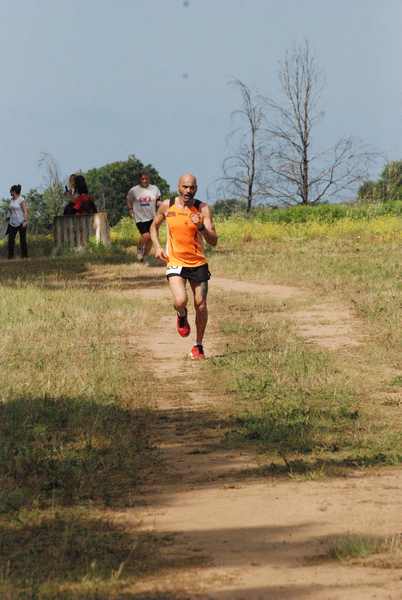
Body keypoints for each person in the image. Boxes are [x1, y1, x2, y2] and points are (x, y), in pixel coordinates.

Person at [150, 173, 218, 360]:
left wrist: (202, 228)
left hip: (198, 262)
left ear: (196, 188)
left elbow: (214, 241)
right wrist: (156, 247)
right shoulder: (167, 205)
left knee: (201, 305)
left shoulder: (202, 208)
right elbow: (153, 226)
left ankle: (198, 345)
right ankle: (181, 314)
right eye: (185, 187)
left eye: (192, 187)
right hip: (175, 261)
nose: (188, 191)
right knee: (180, 300)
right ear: (178, 187)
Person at [126, 171, 161, 261]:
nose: (145, 181)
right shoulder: (134, 190)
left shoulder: (154, 189)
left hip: (152, 216)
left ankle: (144, 256)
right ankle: (139, 250)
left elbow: (158, 200)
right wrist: (130, 209)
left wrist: (161, 205)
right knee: (146, 236)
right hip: (140, 217)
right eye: (143, 179)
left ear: (149, 179)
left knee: (152, 238)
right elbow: (128, 199)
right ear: (139, 179)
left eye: (146, 179)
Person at [7, 184, 28, 259]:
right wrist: (7, 217)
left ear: (14, 191)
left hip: (21, 222)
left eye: (11, 191)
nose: (10, 192)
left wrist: (25, 221)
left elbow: (25, 211)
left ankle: (24, 256)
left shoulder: (21, 199)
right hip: (12, 223)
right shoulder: (11, 200)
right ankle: (10, 257)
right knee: (11, 240)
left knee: (22, 240)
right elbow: (10, 210)